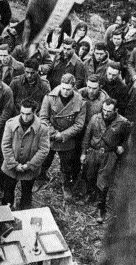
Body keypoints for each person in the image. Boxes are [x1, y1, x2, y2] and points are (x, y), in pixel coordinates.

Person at [81, 98, 132, 223]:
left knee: (103, 182)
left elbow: (129, 139)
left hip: (109, 155)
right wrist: (83, 153)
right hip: (93, 152)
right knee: (90, 175)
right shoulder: (95, 118)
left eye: (109, 111)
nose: (105, 113)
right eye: (104, 110)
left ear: (116, 110)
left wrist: (123, 146)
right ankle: (91, 195)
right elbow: (87, 137)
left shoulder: (123, 123)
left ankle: (101, 208)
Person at [40, 73, 86, 202]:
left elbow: (79, 124)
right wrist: (53, 133)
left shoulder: (80, 101)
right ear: (60, 85)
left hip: (67, 139)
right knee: (44, 160)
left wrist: (63, 135)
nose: (65, 92)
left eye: (68, 89)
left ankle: (66, 185)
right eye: (63, 88)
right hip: (50, 137)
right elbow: (43, 118)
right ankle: (40, 178)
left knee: (67, 166)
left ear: (74, 88)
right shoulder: (49, 97)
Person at [1, 99, 49, 209]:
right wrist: (14, 164)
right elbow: (5, 145)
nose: (24, 117)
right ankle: (6, 213)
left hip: (30, 169)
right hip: (10, 166)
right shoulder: (10, 124)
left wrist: (30, 165)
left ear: (35, 112)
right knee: (7, 192)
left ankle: (24, 211)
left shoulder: (43, 128)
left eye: (28, 114)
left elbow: (44, 150)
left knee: (27, 193)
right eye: (22, 113)